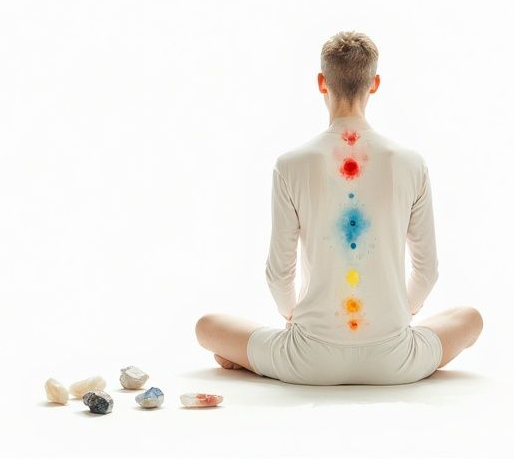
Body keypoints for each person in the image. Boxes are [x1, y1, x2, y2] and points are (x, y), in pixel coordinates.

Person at [194, 31, 483, 385]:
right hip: (396, 362)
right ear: (374, 84)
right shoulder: (411, 163)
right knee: (470, 318)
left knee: (206, 327)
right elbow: (427, 272)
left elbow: (279, 273)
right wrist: (398, 314)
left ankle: (255, 360)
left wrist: (292, 318)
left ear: (321, 82)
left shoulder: (291, 164)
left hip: (307, 362)